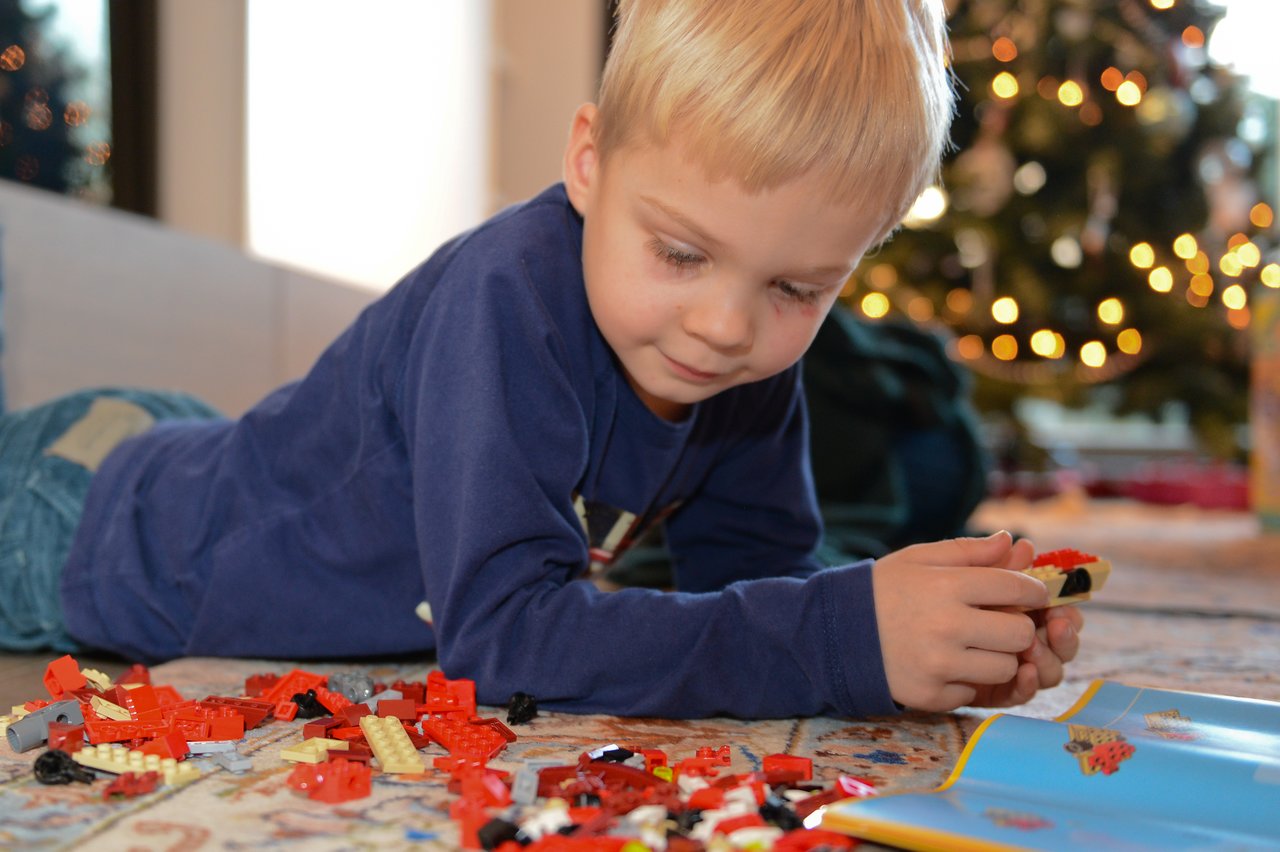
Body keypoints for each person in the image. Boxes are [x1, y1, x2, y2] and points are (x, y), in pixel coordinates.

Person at [0, 0, 1082, 719]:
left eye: (796, 288)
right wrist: (845, 637)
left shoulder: (743, 357)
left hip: (201, 455)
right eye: (678, 252)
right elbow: (504, 640)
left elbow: (755, 591)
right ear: (586, 160)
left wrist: (920, 649)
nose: (722, 325)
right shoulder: (507, 295)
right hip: (94, 531)